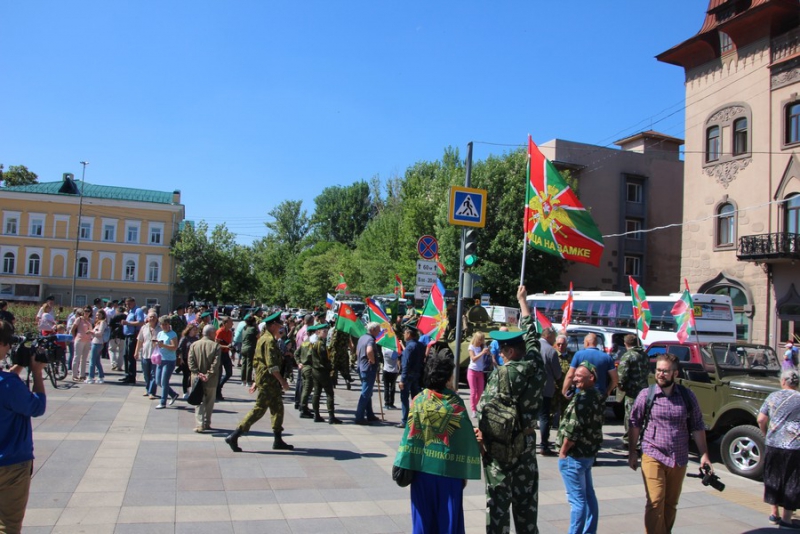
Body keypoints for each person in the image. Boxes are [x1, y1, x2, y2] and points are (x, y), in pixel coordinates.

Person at [475, 285, 545, 534]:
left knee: (498, 510)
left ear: (511, 351)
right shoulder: (536, 363)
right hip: (526, 447)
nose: (501, 355)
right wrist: (523, 302)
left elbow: (483, 410)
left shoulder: (503, 374)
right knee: (527, 510)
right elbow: (531, 335)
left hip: (501, 453)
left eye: (503, 351)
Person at [393, 353, 482, 534]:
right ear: (448, 377)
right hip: (449, 473)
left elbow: (409, 436)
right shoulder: (455, 403)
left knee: (423, 524)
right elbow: (464, 439)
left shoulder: (418, 400)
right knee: (448, 523)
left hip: (421, 471)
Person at [628, 353, 711, 534]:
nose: (661, 374)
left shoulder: (687, 396)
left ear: (675, 374)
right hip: (653, 453)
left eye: (665, 371)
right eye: (658, 370)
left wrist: (704, 454)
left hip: (678, 458)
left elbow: (697, 425)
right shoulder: (646, 395)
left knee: (670, 504)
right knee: (655, 501)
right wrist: (632, 451)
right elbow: (634, 422)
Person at [0, 320, 46, 533]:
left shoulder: (8, 382)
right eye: (8, 343)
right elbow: (36, 407)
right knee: (8, 524)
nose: (10, 347)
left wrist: (16, 368)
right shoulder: (9, 384)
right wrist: (37, 373)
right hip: (10, 463)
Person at [226, 311, 294, 451]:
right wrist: (283, 382)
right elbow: (271, 365)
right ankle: (234, 435)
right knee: (259, 410)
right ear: (274, 325)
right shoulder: (268, 340)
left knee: (278, 409)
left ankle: (278, 439)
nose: (281, 327)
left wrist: (256, 380)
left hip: (268, 380)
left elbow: (257, 361)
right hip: (269, 381)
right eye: (279, 324)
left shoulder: (265, 338)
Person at [557, 361, 605, 534]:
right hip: (587, 454)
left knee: (577, 501)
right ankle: (589, 531)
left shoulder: (583, 399)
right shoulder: (597, 395)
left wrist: (563, 451)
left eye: (579, 376)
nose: (575, 379)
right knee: (588, 497)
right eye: (575, 375)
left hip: (575, 456)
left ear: (591, 378)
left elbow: (573, 428)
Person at [758, 368, 800, 528]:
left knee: (772, 478)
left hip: (773, 444)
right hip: (795, 446)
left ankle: (773, 513)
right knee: (792, 480)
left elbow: (761, 419)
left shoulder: (773, 397)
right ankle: (787, 518)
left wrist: (766, 433)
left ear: (783, 381)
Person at [617, 334, 650, 450]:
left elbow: (621, 375)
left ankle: (630, 442)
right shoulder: (645, 355)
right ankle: (640, 439)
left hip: (632, 392)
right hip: (644, 391)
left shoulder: (628, 356)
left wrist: (620, 386)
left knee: (631, 417)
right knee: (642, 416)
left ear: (626, 344)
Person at [562, 333, 618, 400]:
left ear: (587, 342)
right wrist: (608, 391)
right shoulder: (607, 357)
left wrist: (564, 391)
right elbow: (615, 379)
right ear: (596, 343)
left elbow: (570, 375)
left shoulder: (578, 355)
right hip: (599, 394)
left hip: (581, 394)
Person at [188, 324, 222, 432]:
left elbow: (190, 361)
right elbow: (216, 364)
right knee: (209, 402)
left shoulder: (194, 345)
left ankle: (199, 424)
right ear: (211, 333)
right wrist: (208, 374)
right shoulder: (216, 346)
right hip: (211, 380)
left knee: (198, 401)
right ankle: (207, 422)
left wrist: (197, 373)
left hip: (196, 378)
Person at [309, 323, 342, 424]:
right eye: (324, 331)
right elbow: (324, 359)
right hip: (322, 371)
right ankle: (331, 416)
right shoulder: (320, 344)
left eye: (327, 331)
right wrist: (330, 368)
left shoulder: (315, 343)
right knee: (329, 394)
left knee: (317, 393)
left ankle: (316, 414)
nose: (326, 333)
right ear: (318, 332)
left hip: (315, 370)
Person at [538, 326, 563, 456]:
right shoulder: (550, 351)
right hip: (545, 389)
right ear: (548, 336)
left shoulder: (531, 347)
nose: (554, 340)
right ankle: (544, 445)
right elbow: (558, 374)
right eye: (554, 337)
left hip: (530, 389)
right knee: (544, 417)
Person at [397, 323, 424, 428]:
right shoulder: (420, 345)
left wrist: (402, 380)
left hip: (408, 376)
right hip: (417, 375)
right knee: (416, 399)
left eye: (405, 333)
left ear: (408, 334)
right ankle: (416, 419)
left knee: (404, 398)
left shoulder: (409, 347)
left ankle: (405, 420)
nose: (404, 335)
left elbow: (405, 364)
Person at [355, 322, 381, 425]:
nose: (379, 332)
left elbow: (357, 351)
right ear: (373, 330)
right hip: (368, 369)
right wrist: (372, 360)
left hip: (361, 367)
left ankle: (370, 414)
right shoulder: (370, 339)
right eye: (378, 330)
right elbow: (369, 350)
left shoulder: (362, 338)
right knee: (365, 393)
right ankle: (359, 416)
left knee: (368, 392)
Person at [154, 315, 180, 409]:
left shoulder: (173, 334)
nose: (164, 326)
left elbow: (174, 347)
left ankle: (162, 402)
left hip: (169, 360)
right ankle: (173, 394)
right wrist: (156, 344)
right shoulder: (160, 333)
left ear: (169, 324)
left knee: (164, 382)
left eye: (166, 324)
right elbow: (159, 345)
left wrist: (163, 345)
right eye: (162, 324)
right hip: (160, 359)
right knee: (158, 381)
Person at [134, 311, 160, 399]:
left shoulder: (160, 328)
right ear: (147, 318)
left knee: (153, 374)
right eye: (150, 317)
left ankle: (152, 392)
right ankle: (147, 388)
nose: (151, 318)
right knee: (146, 373)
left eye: (153, 317)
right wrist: (136, 352)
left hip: (156, 355)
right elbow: (140, 340)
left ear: (156, 318)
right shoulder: (144, 328)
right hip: (145, 353)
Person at [120, 297, 145, 384]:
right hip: (127, 336)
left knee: (130, 356)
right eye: (126, 304)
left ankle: (131, 376)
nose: (127, 305)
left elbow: (141, 322)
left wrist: (128, 323)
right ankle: (127, 374)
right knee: (125, 355)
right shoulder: (130, 311)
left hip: (132, 336)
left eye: (128, 304)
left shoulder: (138, 310)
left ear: (133, 302)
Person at [467, 331, 491, 419]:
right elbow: (473, 359)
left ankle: (474, 405)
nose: (481, 341)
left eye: (482, 340)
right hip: (472, 371)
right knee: (473, 391)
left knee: (480, 391)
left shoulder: (483, 346)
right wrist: (482, 353)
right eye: (480, 339)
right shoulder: (471, 347)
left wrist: (488, 352)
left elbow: (488, 355)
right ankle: (473, 409)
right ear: (476, 339)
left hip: (480, 371)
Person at [70, 308, 92, 381]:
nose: (87, 312)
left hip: (87, 340)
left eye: (88, 311)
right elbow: (73, 329)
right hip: (79, 339)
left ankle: (82, 374)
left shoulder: (90, 320)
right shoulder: (79, 319)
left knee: (84, 358)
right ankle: (74, 375)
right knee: (77, 357)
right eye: (85, 311)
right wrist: (74, 337)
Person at [177, 324, 199, 397]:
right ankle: (185, 392)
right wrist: (181, 359)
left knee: (192, 375)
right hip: (185, 359)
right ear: (189, 330)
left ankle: (189, 387)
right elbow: (179, 349)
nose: (195, 331)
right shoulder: (185, 338)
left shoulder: (196, 339)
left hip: (194, 360)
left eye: (196, 330)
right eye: (194, 329)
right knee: (186, 375)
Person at [215, 317, 234, 401]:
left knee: (229, 373)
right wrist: (226, 346)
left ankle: (219, 387)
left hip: (226, 354)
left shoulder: (230, 332)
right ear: (225, 323)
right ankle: (217, 392)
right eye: (230, 323)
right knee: (219, 374)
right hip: (219, 354)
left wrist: (232, 353)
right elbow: (216, 345)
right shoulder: (219, 331)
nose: (232, 324)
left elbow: (230, 344)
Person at [329, 325, 353, 390]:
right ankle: (346, 380)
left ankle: (333, 383)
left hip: (336, 352)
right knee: (344, 368)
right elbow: (348, 341)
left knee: (334, 367)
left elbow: (333, 342)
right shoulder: (347, 331)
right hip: (344, 352)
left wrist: (329, 349)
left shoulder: (337, 330)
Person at [87, 309, 107, 384]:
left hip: (97, 343)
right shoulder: (98, 323)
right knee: (97, 361)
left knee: (92, 360)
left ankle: (91, 377)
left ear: (103, 315)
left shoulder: (102, 322)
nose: (97, 316)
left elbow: (100, 333)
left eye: (99, 315)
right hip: (96, 342)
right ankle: (101, 376)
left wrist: (91, 331)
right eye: (97, 315)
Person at [239, 315, 258, 387]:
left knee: (244, 364)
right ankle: (248, 380)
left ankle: (243, 380)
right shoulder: (253, 329)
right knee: (249, 364)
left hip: (243, 347)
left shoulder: (245, 328)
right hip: (250, 348)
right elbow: (258, 336)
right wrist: (256, 327)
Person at [108, 305, 126, 371]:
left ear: (117, 310)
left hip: (114, 335)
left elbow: (110, 326)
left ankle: (114, 363)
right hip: (123, 335)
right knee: (121, 351)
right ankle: (119, 366)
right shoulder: (126, 316)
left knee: (112, 350)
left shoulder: (114, 316)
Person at [382, 346, 399, 410]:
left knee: (386, 388)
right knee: (392, 388)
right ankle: (391, 403)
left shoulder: (384, 349)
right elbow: (399, 355)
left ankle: (386, 403)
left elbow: (382, 346)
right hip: (394, 371)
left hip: (386, 370)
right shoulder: (396, 350)